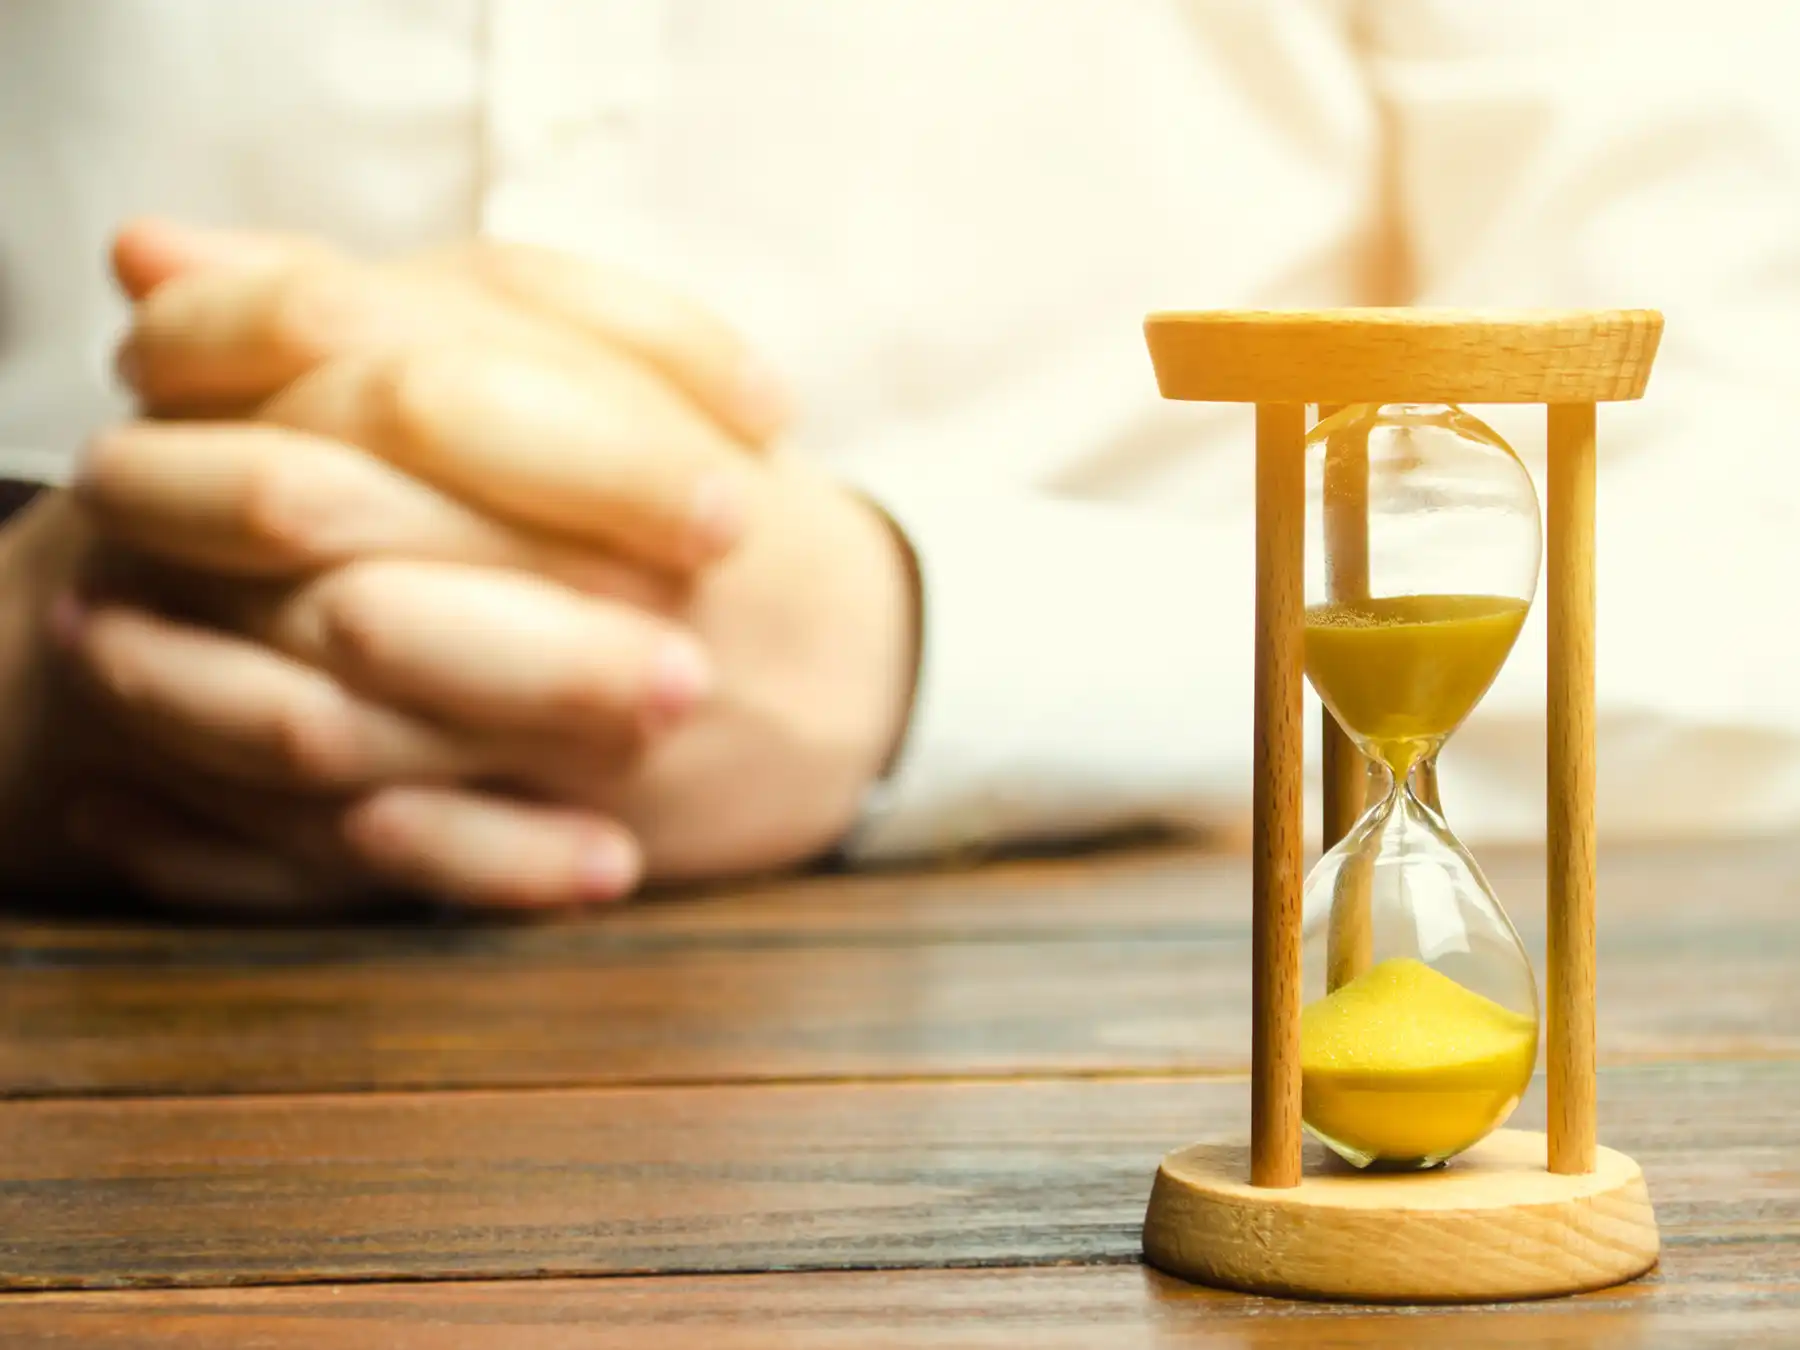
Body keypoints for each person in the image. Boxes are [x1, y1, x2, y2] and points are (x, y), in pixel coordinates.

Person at [0, 1, 1796, 913]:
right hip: (107, 964)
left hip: (1061, 978)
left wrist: (913, 649)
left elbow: (1754, 546)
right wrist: (56, 640)